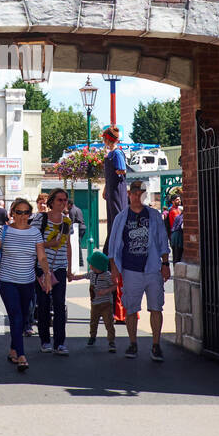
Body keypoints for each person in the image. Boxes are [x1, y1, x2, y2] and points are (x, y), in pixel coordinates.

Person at [107, 179, 172, 361]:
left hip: (152, 268)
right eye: (134, 192)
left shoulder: (153, 215)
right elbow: (113, 247)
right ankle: (133, 343)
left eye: (140, 193)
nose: (137, 196)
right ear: (129, 194)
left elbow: (162, 241)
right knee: (131, 308)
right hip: (130, 270)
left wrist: (165, 265)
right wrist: (114, 269)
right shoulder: (121, 217)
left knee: (156, 307)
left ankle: (156, 344)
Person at [0, 197, 48, 373]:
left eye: (26, 212)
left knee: (22, 316)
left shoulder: (35, 233)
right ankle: (21, 354)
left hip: (27, 282)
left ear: (30, 214)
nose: (22, 215)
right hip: (8, 281)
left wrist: (47, 275)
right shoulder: (4, 231)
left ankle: (13, 349)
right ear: (12, 213)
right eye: (18, 212)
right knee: (16, 315)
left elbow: (42, 257)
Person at [34, 188, 74, 354]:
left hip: (59, 268)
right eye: (60, 200)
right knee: (43, 305)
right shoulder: (40, 219)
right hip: (42, 268)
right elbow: (34, 243)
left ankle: (60, 343)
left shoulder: (67, 222)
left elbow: (68, 245)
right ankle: (44, 340)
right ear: (51, 202)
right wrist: (51, 244)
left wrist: (70, 268)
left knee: (59, 305)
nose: (63, 203)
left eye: (65, 200)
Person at [101, 126, 129, 323]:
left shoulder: (117, 153)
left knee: (117, 219)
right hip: (112, 195)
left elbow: (121, 171)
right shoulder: (112, 153)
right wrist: (105, 187)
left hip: (116, 196)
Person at [71, 249, 116, 351]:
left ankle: (111, 341)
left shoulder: (107, 275)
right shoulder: (91, 274)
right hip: (95, 303)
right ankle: (92, 336)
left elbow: (115, 286)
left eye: (91, 264)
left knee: (108, 322)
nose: (89, 265)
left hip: (106, 304)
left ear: (97, 266)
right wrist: (72, 277)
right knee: (93, 322)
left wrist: (106, 291)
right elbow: (82, 277)